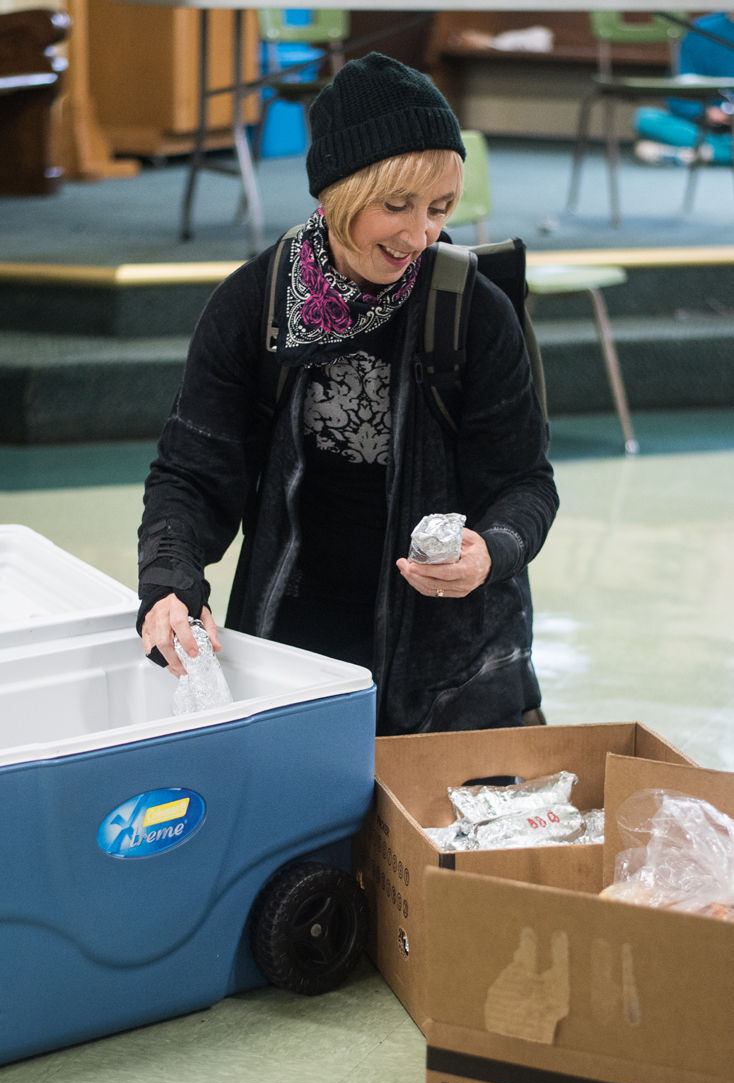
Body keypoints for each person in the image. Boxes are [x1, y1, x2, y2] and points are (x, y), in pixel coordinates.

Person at [137, 52, 559, 736]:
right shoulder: (255, 303)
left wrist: (492, 548)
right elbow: (193, 472)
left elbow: (525, 482)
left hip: (455, 656)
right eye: (396, 206)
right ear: (337, 191)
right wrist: (170, 588)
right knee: (308, 837)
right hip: (299, 634)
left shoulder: (470, 310)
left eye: (439, 208)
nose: (419, 234)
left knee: (442, 841)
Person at [635, 12, 734, 167]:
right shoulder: (701, 30)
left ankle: (698, 154)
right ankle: (717, 151)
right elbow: (677, 92)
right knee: (645, 118)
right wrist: (706, 113)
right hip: (708, 125)